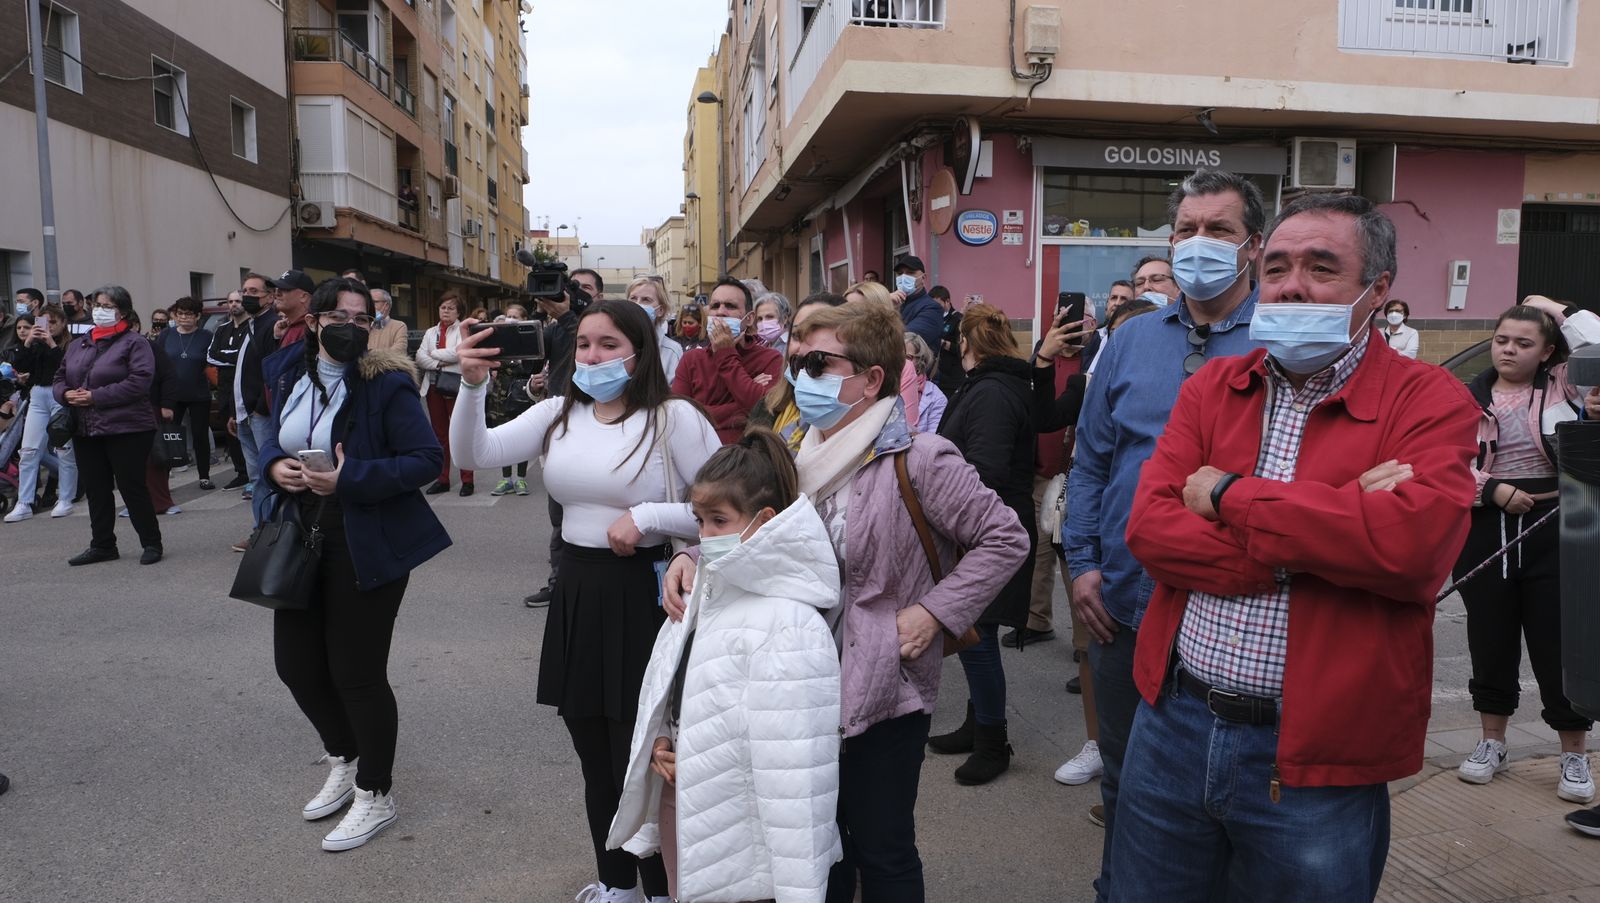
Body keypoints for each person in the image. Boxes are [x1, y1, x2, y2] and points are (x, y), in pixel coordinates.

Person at [1115, 193, 1483, 899]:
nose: (1291, 285)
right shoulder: (1215, 387)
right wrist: (1329, 532)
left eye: (1321, 267)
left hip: (1318, 753)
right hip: (1174, 724)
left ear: (1377, 291)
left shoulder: (1429, 400)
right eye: (1278, 264)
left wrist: (1228, 497)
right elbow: (1148, 530)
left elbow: (1412, 552)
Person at [661, 301, 1029, 902]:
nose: (801, 376)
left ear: (871, 379)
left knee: (882, 849)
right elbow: (759, 534)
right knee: (816, 848)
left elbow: (1005, 538)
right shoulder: (791, 455)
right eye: (797, 361)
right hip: (795, 688)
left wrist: (935, 611)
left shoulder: (921, 459)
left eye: (818, 363)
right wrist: (693, 556)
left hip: (882, 689)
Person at [450, 299, 719, 903]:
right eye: (586, 345)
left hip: (647, 593)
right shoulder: (557, 412)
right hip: (576, 588)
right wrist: (471, 388)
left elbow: (726, 512)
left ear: (641, 353)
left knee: (644, 750)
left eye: (609, 345)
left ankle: (662, 887)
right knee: (592, 750)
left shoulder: (674, 419)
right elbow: (474, 455)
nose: (592, 357)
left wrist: (650, 516)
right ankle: (616, 881)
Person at [1064, 169, 1267, 903]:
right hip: (1119, 600)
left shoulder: (1278, 341)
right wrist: (1082, 562)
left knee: (1224, 787)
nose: (1199, 244)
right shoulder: (1130, 341)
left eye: (1219, 230)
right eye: (1186, 230)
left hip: (1223, 611)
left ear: (1253, 245)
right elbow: (1091, 461)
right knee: (1125, 772)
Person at [607, 430, 843, 903]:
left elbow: (798, 781)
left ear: (764, 520)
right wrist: (661, 740)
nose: (704, 536)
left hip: (744, 838)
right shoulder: (706, 589)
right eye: (699, 521)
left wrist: (801, 893)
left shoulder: (789, 623)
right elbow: (673, 682)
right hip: (692, 808)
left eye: (719, 521)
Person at [257, 277, 451, 852]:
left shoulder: (386, 381)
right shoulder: (287, 369)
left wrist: (350, 478)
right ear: (313, 320)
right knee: (295, 664)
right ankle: (344, 757)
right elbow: (272, 438)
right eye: (338, 315)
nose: (351, 326)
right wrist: (274, 468)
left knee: (356, 672)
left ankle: (376, 793)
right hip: (298, 530)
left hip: (365, 536)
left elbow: (425, 460)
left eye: (361, 318)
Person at [1455, 297, 1600, 802]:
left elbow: (1596, 343)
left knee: (1558, 640)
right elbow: (1442, 457)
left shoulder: (1566, 384)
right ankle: (1491, 742)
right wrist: (1491, 489)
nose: (1509, 351)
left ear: (1547, 352)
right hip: (1485, 523)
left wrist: (1559, 308)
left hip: (1557, 522)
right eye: (1501, 341)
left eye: (1523, 343)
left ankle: (1574, 753)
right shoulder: (1464, 396)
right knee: (1489, 635)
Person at [926, 304, 1036, 786]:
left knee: (977, 637)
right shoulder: (990, 385)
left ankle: (994, 740)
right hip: (986, 525)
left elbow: (984, 469)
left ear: (967, 344)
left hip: (986, 530)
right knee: (973, 634)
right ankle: (978, 722)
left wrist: (956, 518)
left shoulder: (990, 391)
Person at [54, 286, 163, 566]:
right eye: (97, 304)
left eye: (107, 305)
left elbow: (139, 382)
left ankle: (151, 542)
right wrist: (66, 394)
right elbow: (60, 377)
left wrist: (95, 396)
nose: (99, 309)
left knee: (131, 486)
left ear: (123, 311)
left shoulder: (135, 342)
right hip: (85, 427)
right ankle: (102, 545)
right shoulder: (79, 343)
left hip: (127, 427)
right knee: (96, 488)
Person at [671, 277, 783, 444]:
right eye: (715, 306)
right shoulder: (691, 359)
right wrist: (741, 407)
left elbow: (763, 413)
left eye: (730, 306)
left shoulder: (770, 359)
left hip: (748, 458)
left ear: (750, 318)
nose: (720, 312)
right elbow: (678, 418)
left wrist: (725, 354)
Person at [4, 305, 77, 522]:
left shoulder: (70, 344)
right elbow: (17, 366)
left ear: (63, 323)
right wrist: (27, 343)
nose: (47, 327)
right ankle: (24, 502)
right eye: (43, 322)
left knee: (64, 448)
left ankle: (66, 497)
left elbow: (66, 369)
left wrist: (51, 344)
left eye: (53, 322)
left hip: (60, 394)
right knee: (28, 450)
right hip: (37, 395)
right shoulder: (34, 344)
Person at [747, 292, 848, 437]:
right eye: (796, 335)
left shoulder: (854, 409)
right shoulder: (767, 406)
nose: (803, 349)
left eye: (818, 332)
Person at [232, 273, 285, 510]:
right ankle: (260, 529)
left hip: (260, 412)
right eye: (244, 291)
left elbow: (272, 370)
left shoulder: (272, 325)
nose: (247, 296)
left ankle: (270, 532)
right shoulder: (250, 325)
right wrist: (235, 410)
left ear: (270, 297)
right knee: (256, 478)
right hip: (245, 412)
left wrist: (260, 407)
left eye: (254, 291)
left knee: (268, 476)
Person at [415, 293, 474, 496]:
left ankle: (468, 479)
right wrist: (441, 361)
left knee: (461, 433)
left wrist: (434, 355)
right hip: (432, 386)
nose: (446, 311)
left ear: (458, 312)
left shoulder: (462, 330)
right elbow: (419, 357)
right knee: (439, 435)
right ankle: (443, 479)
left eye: (450, 308)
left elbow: (459, 353)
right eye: (443, 307)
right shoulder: (430, 332)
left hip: (455, 386)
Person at [158, 297, 216, 489]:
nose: (184, 318)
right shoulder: (166, 334)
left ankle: (204, 475)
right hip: (172, 394)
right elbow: (158, 362)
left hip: (199, 393)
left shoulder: (206, 336)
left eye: (189, 314)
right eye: (180, 313)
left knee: (200, 435)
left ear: (197, 316)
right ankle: (165, 477)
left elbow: (213, 362)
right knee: (169, 436)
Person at [845, 282, 920, 428]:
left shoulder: (903, 368)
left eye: (858, 312)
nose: (847, 319)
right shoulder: (830, 358)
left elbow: (907, 427)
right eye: (844, 310)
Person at [487, 305, 537, 498]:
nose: (510, 319)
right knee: (502, 437)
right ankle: (506, 479)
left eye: (515, 317)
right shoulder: (499, 340)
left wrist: (511, 364)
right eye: (508, 316)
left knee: (521, 437)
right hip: (500, 396)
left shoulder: (528, 340)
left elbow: (528, 366)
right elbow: (495, 362)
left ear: (524, 319)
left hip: (521, 395)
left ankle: (520, 477)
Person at [207, 290, 253, 491]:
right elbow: (210, 356)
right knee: (229, 429)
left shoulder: (252, 328)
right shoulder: (221, 329)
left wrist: (229, 356)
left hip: (245, 385)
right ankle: (241, 473)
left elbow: (250, 357)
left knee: (247, 429)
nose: (234, 304)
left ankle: (255, 474)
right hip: (225, 388)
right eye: (231, 301)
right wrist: (234, 357)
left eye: (238, 301)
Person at [626, 277, 682, 382]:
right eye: (633, 298)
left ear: (660, 310)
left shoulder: (672, 351)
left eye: (646, 300)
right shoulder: (613, 343)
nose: (637, 304)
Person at [890, 256, 943, 352]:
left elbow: (905, 340)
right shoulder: (893, 303)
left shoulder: (932, 308)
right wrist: (885, 306)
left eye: (910, 273)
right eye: (900, 273)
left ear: (923, 278)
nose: (903, 277)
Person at [904, 332, 945, 434]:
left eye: (908, 357)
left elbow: (932, 439)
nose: (901, 361)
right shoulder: (882, 385)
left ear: (921, 360)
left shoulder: (937, 398)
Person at [932, 285, 965, 395]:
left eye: (937, 304)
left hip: (952, 378)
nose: (934, 308)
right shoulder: (932, 318)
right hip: (935, 375)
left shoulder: (958, 319)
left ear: (947, 301)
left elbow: (961, 349)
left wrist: (942, 343)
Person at [367, 288, 409, 354]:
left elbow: (399, 351)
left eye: (373, 302)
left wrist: (368, 353)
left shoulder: (399, 326)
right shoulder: (363, 325)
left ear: (386, 305)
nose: (369, 305)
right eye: (367, 302)